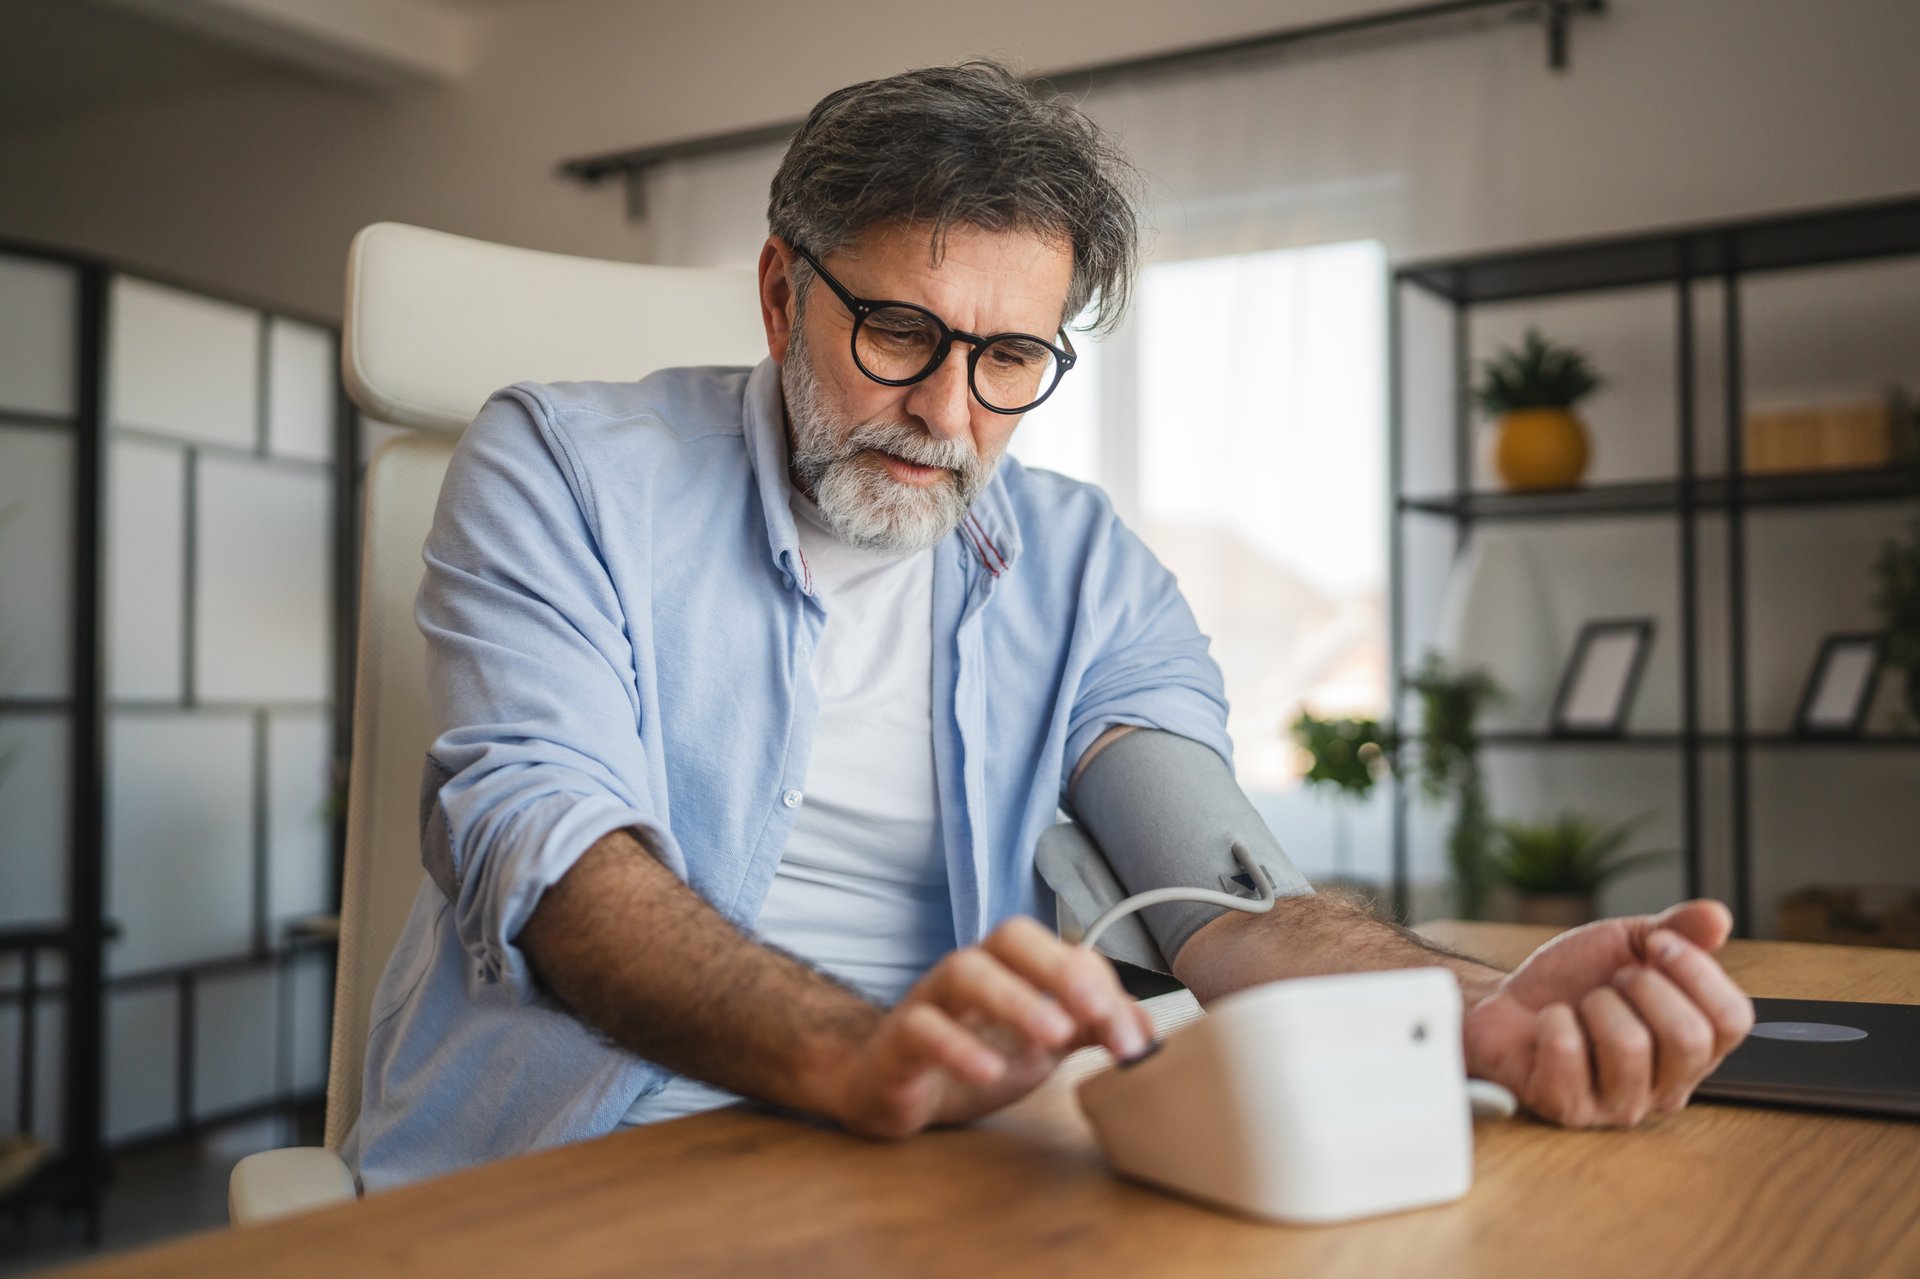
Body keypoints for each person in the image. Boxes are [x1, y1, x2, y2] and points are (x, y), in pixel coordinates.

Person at [343, 61, 1753, 1192]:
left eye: (1011, 357)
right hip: (574, 1162)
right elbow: (554, 860)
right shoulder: (564, 466)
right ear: (783, 295)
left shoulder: (1082, 567)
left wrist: (1475, 1006)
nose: (950, 416)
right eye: (900, 333)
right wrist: (858, 1050)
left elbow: (1226, 906)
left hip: (926, 1164)